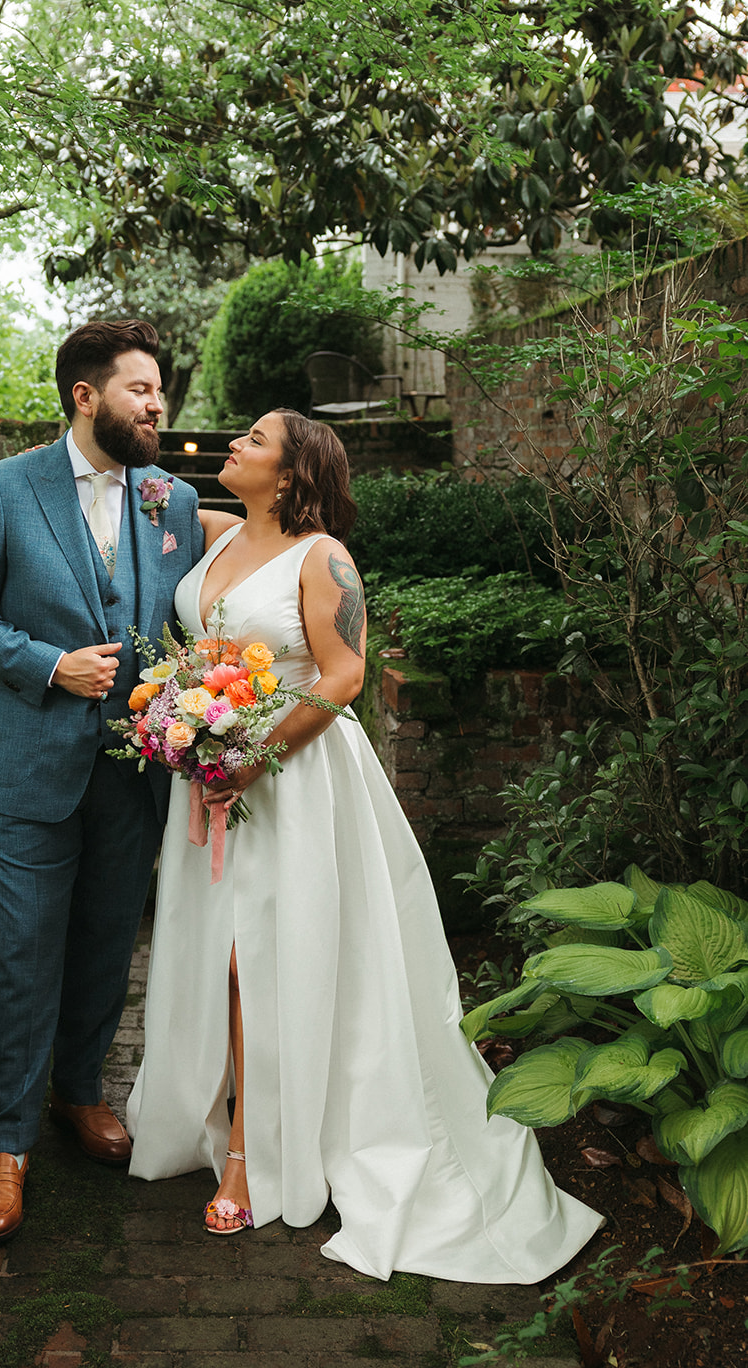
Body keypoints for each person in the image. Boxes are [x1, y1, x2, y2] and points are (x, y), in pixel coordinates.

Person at [127, 408, 604, 1280]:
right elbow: (140, 499)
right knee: (222, 955)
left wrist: (254, 756)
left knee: (260, 959)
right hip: (211, 779)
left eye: (256, 440)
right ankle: (239, 1125)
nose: (233, 443)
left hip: (295, 780)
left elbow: (343, 674)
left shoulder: (323, 557)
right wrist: (184, 722)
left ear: (295, 470)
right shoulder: (216, 532)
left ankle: (250, 1154)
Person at [0, 320, 204, 1243]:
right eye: (140, 390)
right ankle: (4, 1147)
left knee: (104, 944)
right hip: (26, 770)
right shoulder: (5, 489)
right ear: (86, 397)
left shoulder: (170, 500)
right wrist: (52, 665)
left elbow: (187, 623)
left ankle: (79, 1094)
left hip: (133, 773)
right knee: (22, 955)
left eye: (159, 391)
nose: (157, 405)